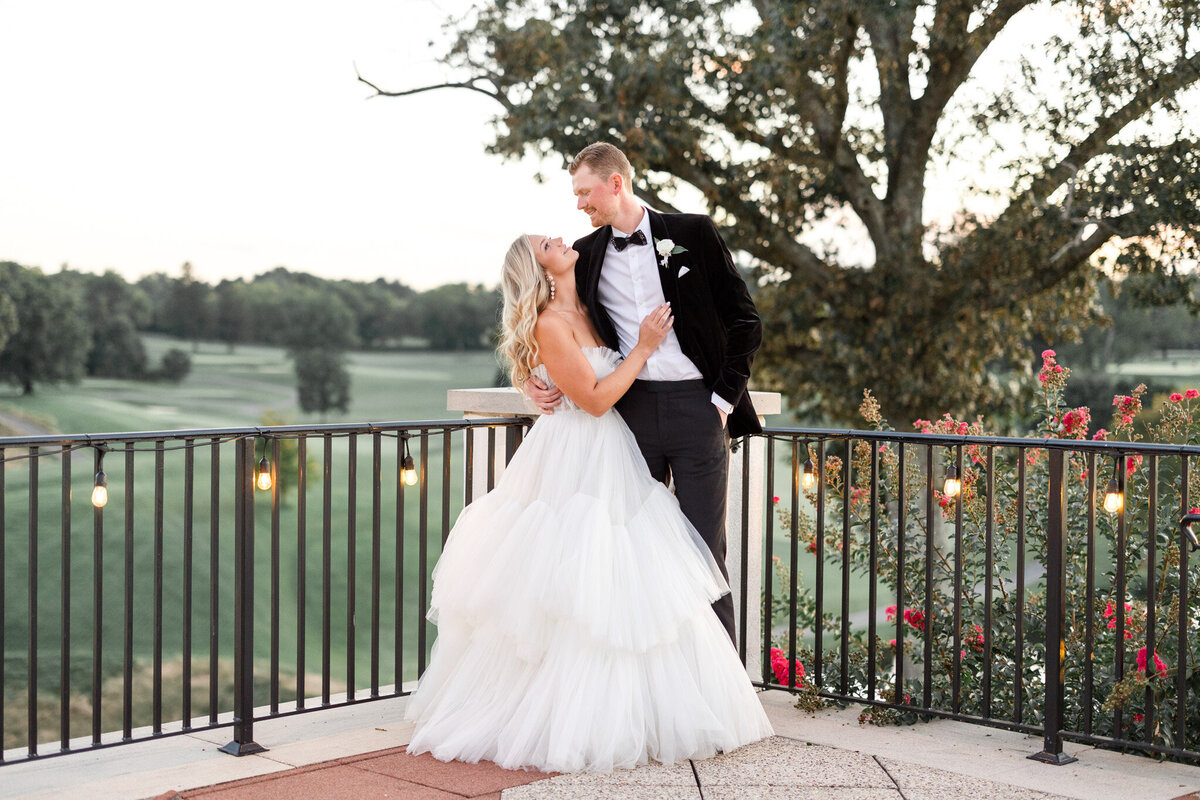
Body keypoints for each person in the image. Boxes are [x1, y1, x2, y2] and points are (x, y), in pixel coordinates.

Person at [403, 233, 773, 774]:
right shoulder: (551, 323)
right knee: (579, 579)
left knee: (631, 574)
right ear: (538, 267)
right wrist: (642, 348)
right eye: (544, 243)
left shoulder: (592, 299)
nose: (558, 237)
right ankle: (567, 713)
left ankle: (661, 704)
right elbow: (595, 400)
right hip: (578, 453)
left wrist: (534, 377)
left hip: (617, 448)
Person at [525, 142, 762, 645]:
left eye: (585, 192)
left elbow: (746, 321)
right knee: (634, 550)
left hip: (699, 410)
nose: (579, 204)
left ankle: (721, 689)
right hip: (626, 417)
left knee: (702, 550)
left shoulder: (693, 233)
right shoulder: (583, 256)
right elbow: (536, 315)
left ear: (616, 183)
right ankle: (654, 687)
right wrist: (527, 372)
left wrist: (721, 401)